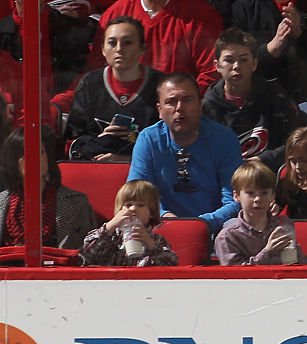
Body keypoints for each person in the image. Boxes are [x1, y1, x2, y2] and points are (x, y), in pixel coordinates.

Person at [128, 73, 243, 242]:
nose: (179, 108)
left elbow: (234, 199)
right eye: (171, 101)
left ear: (200, 104)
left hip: (216, 230)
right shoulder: (148, 139)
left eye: (187, 99)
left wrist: (200, 224)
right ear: (159, 110)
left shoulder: (224, 138)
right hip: (160, 229)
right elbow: (136, 195)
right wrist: (166, 218)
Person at [202, 28, 307, 169]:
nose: (236, 66)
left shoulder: (274, 95)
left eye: (244, 60)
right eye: (229, 60)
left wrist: (264, 160)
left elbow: (296, 142)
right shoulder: (208, 107)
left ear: (254, 64)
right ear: (217, 66)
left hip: (272, 175)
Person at [66, 17, 164, 162]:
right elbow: (71, 144)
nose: (119, 49)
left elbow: (171, 143)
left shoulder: (161, 85)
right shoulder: (89, 84)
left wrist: (126, 159)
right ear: (103, 50)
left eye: (127, 43)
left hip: (147, 176)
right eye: (112, 43)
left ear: (142, 48)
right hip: (97, 173)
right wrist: (101, 140)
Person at [88, 0, 223, 93]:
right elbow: (98, 69)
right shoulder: (115, 14)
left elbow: (211, 73)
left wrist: (181, 102)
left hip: (177, 114)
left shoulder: (201, 16)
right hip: (124, 109)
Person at [0, 126, 97, 249]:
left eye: (40, 152)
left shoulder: (77, 203)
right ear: (13, 161)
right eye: (26, 153)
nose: (35, 158)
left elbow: (88, 253)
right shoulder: (2, 203)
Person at [215, 160, 307, 265]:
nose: (258, 199)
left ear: (273, 196)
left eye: (264, 193)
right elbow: (234, 275)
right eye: (250, 193)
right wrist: (267, 252)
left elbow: (299, 264)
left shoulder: (283, 226)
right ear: (236, 196)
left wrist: (296, 254)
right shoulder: (228, 237)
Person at [79, 179, 178, 266]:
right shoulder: (111, 237)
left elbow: (171, 263)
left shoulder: (156, 240)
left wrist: (150, 244)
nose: (133, 209)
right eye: (128, 205)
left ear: (151, 212)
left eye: (140, 205)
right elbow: (85, 255)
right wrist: (111, 225)